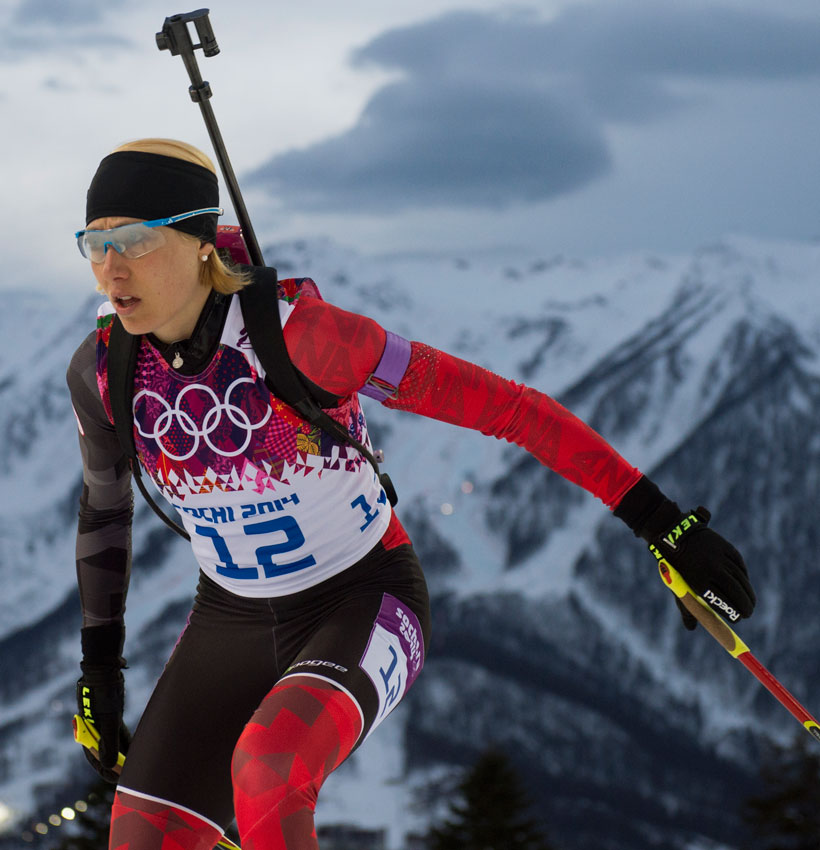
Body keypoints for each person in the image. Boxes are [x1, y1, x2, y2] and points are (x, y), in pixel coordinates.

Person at [64, 138, 756, 850]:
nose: (111, 268)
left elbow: (511, 409)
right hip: (226, 620)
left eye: (136, 241)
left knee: (270, 773)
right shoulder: (103, 371)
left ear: (201, 241)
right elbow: (104, 513)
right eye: (95, 244)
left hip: (362, 597)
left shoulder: (307, 340)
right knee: (141, 838)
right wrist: (99, 669)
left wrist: (663, 524)